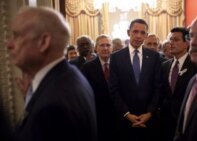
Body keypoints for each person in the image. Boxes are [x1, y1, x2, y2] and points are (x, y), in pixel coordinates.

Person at [7, 7, 97, 141]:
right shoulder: (68, 75)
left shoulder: (53, 105)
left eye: (17, 36)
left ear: (44, 42)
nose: (9, 45)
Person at [109, 18, 162, 141]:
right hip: (125, 120)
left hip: (149, 120)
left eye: (142, 33)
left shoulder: (154, 57)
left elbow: (158, 87)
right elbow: (113, 89)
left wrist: (149, 113)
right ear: (128, 32)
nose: (138, 36)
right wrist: (127, 114)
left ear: (146, 35)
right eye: (135, 32)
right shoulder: (116, 57)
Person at [159, 27, 197, 141]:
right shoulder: (165, 65)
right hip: (166, 122)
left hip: (187, 120)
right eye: (170, 39)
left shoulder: (195, 64)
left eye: (176, 40)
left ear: (187, 43)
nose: (171, 43)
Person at [82, 34, 117, 141]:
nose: (105, 48)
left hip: (119, 116)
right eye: (102, 45)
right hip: (98, 117)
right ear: (96, 48)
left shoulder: (120, 64)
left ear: (112, 47)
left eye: (108, 45)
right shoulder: (87, 67)